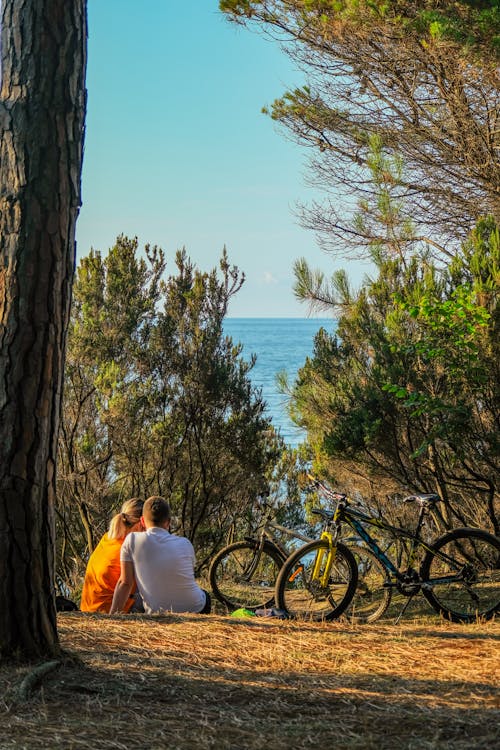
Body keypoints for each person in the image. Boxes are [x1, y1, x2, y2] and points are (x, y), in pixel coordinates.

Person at [110, 495, 211, 615]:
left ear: (142, 521)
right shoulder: (185, 543)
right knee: (205, 595)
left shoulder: (131, 540)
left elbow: (125, 583)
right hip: (196, 609)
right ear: (168, 522)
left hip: (157, 613)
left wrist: (112, 618)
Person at [80, 497, 144, 613]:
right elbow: (126, 583)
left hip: (88, 608)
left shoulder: (107, 538)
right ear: (141, 523)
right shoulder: (129, 548)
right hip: (108, 610)